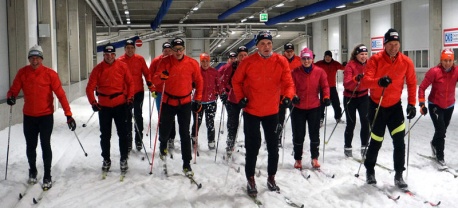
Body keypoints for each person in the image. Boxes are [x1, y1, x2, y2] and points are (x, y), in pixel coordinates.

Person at [232, 31, 295, 197]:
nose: (266, 47)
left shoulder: (281, 61)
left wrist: (288, 97)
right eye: (262, 44)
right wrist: (240, 98)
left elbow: (289, 83)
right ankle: (251, 178)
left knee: (274, 147)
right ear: (257, 46)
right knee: (253, 147)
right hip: (251, 111)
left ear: (272, 44)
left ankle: (271, 177)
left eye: (268, 43)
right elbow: (236, 81)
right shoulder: (248, 61)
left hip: (272, 111)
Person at [6, 44, 76, 190]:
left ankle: (47, 175)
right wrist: (11, 97)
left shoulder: (50, 74)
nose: (34, 60)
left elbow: (61, 95)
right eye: (32, 58)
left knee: (45, 145)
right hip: (29, 117)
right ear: (29, 59)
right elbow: (14, 89)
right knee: (31, 146)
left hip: (45, 117)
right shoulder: (22, 73)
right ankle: (32, 170)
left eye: (37, 58)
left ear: (41, 59)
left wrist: (68, 114)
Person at [362, 28, 417, 189]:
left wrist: (412, 104)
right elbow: (366, 81)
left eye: (396, 44)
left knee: (399, 141)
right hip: (377, 106)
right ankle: (370, 170)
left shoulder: (406, 61)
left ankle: (399, 174)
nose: (394, 47)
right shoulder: (375, 60)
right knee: (376, 141)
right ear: (384, 44)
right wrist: (379, 81)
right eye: (391, 44)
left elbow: (412, 83)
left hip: (395, 107)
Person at [152, 37, 203, 176]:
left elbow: (199, 82)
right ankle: (163, 149)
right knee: (164, 131)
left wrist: (197, 99)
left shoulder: (192, 63)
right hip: (168, 101)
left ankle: (186, 163)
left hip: (185, 103)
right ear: (172, 50)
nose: (178, 52)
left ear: (184, 49)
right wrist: (161, 76)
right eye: (175, 49)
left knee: (184, 134)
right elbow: (154, 80)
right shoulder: (164, 61)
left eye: (180, 49)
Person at [86, 43, 134, 175]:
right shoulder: (98, 69)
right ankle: (106, 159)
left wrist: (130, 98)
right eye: (106, 55)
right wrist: (93, 102)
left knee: (123, 133)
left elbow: (130, 83)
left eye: (111, 54)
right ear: (104, 55)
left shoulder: (122, 66)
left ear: (114, 55)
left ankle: (123, 158)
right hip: (104, 106)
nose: (109, 57)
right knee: (105, 135)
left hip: (120, 104)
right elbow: (90, 88)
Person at [290, 47, 330, 170]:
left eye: (308, 58)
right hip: (298, 108)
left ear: (312, 59)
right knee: (298, 134)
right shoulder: (295, 72)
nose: (306, 61)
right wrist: (293, 96)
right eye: (303, 58)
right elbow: (290, 86)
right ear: (301, 59)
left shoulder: (319, 71)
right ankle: (298, 159)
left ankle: (314, 158)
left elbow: (325, 86)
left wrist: (326, 96)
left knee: (314, 134)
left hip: (314, 107)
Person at [418, 48, 458, 167]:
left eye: (450, 60)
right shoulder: (434, 72)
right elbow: (422, 88)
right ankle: (440, 156)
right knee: (441, 130)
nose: (447, 63)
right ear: (441, 60)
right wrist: (422, 104)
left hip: (449, 106)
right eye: (445, 60)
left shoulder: (456, 71)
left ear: (453, 60)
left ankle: (434, 143)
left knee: (442, 130)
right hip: (435, 105)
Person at [118, 39, 151, 152]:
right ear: (125, 49)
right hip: (125, 94)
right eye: (128, 48)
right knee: (126, 118)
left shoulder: (140, 59)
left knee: (138, 115)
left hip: (138, 92)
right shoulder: (120, 61)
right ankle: (128, 141)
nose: (130, 50)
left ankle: (138, 139)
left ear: (134, 49)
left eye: (132, 48)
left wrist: (150, 84)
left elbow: (146, 73)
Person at [219, 45, 249, 158]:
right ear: (237, 57)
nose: (243, 57)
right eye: (240, 55)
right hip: (233, 100)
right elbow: (222, 81)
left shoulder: (251, 65)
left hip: (248, 101)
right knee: (233, 124)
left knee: (249, 126)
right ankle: (230, 144)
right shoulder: (231, 67)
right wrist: (224, 93)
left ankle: (249, 146)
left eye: (245, 55)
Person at [342, 44, 370, 158]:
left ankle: (364, 147)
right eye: (361, 54)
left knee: (365, 121)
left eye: (365, 54)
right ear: (356, 55)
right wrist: (356, 78)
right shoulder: (350, 65)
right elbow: (346, 83)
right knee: (351, 123)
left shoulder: (369, 65)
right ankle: (348, 147)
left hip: (363, 97)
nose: (364, 56)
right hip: (350, 97)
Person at [149, 42, 177, 149]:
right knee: (162, 116)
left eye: (170, 50)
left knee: (172, 116)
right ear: (162, 51)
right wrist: (153, 89)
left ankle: (171, 137)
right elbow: (150, 76)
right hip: (160, 92)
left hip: (172, 92)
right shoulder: (156, 61)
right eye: (166, 50)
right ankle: (163, 138)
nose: (168, 52)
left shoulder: (174, 61)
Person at [191, 53, 220, 150]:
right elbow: (190, 84)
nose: (205, 63)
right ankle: (194, 140)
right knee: (196, 122)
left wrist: (220, 92)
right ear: (200, 61)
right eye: (203, 61)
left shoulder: (214, 72)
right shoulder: (196, 72)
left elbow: (218, 85)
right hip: (198, 102)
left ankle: (211, 142)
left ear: (209, 61)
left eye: (207, 61)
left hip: (211, 102)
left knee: (210, 123)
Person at [277, 43, 302, 147]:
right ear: (284, 52)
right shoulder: (280, 61)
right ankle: (277, 138)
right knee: (279, 118)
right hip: (281, 94)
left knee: (295, 119)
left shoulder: (299, 60)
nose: (289, 53)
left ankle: (296, 139)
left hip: (294, 94)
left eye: (291, 51)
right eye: (287, 51)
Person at [315, 50, 344, 125]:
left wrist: (345, 65)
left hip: (332, 87)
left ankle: (338, 117)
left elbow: (343, 67)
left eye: (329, 57)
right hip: (323, 87)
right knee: (322, 104)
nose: (328, 58)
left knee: (336, 103)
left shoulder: (335, 64)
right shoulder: (320, 64)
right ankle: (320, 118)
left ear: (331, 57)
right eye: (326, 57)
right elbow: (311, 66)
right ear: (324, 57)